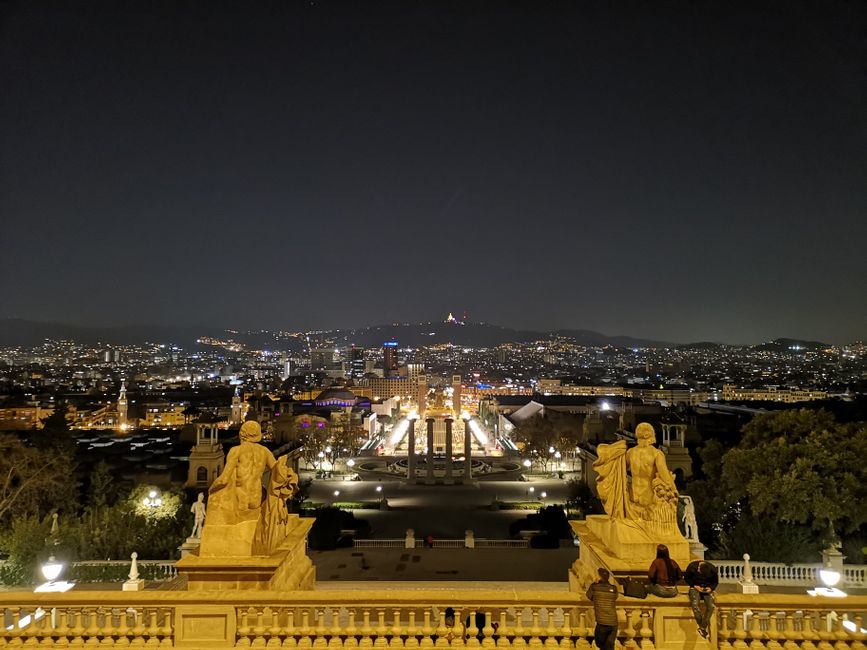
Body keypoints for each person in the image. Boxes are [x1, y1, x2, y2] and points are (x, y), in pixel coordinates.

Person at [586, 567, 618, 650]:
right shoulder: (614, 588)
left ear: (599, 577)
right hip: (613, 622)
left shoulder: (595, 587)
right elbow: (615, 597)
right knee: (610, 646)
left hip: (602, 623)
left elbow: (589, 596)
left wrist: (593, 583)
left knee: (600, 644)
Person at [685, 560, 718, 639]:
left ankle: (702, 628)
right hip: (695, 587)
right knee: (695, 604)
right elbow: (686, 578)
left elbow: (715, 582)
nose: (698, 571)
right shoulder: (692, 567)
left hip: (706, 588)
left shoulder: (712, 569)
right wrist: (694, 585)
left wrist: (710, 588)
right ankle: (702, 627)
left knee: (711, 606)